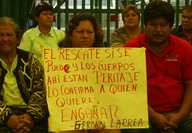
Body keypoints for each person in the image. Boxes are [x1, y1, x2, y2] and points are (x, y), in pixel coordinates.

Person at [124, 1, 192, 133]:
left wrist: (179, 116)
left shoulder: (185, 48)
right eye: (153, 25)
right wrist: (154, 116)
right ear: (145, 25)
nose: (158, 30)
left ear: (171, 26)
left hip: (180, 114)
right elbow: (128, 90)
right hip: (141, 114)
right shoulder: (131, 49)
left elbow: (191, 85)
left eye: (163, 25)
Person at [61, 13, 120, 133]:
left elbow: (111, 95)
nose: (85, 36)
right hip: (68, 116)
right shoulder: (56, 61)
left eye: (89, 32)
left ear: (95, 35)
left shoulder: (106, 61)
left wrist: (97, 118)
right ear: (71, 35)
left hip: (101, 115)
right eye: (80, 31)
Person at [0, 17, 49, 133]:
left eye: (9, 35)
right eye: (0, 35)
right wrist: (8, 118)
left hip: (30, 117)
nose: (5, 39)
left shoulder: (31, 60)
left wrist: (30, 118)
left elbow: (41, 91)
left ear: (18, 39)